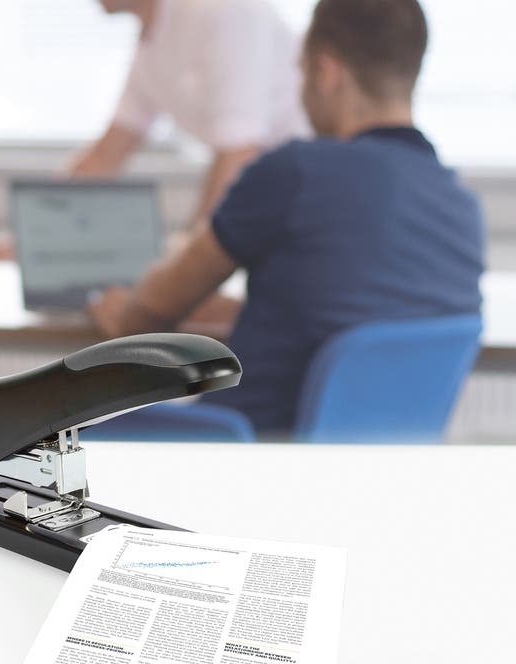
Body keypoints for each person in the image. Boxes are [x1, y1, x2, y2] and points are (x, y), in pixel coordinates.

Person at [89, 0, 485, 438]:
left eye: (300, 71)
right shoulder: (462, 206)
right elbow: (352, 325)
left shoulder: (295, 173)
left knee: (63, 434)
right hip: (362, 463)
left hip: (239, 449)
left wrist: (123, 308)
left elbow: (152, 310)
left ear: (327, 73)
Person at [72, 0, 309, 224]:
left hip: (304, 193)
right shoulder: (152, 40)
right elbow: (107, 154)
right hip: (270, 197)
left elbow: (239, 154)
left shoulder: (223, 10)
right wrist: (53, 213)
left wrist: (188, 247)